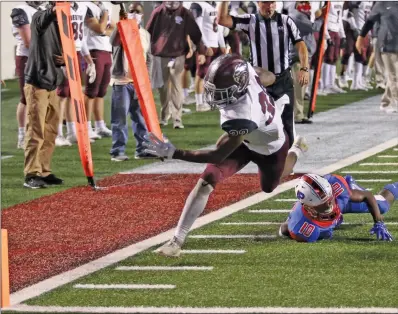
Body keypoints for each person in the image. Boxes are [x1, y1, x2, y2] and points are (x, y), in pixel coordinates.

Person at [143, 54, 308, 257]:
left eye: (221, 92)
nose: (215, 97)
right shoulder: (246, 73)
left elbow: (217, 155)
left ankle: (297, 149)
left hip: (270, 147)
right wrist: (272, 83)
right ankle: (176, 241)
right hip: (246, 137)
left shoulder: (243, 115)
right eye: (214, 90)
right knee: (207, 180)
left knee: (271, 184)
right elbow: (266, 75)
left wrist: (174, 153)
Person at [218, 1, 309, 149]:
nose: (270, 6)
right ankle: (250, 156)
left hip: (283, 80)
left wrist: (304, 68)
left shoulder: (286, 21)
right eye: (266, 3)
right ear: (258, 3)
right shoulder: (250, 20)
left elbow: (301, 45)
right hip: (260, 83)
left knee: (287, 123)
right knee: (254, 122)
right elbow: (222, 20)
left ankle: (288, 161)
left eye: (272, 2)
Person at [279, 173, 396, 242]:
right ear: (310, 208)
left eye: (329, 198)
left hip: (342, 203)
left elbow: (367, 196)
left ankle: (351, 185)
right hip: (316, 219)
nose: (329, 203)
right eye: (323, 202)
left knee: (382, 206)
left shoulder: (337, 191)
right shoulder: (303, 227)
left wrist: (378, 222)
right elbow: (286, 229)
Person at [23, 1, 65, 189]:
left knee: (50, 131)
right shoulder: (38, 17)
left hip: (52, 82)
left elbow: (62, 48)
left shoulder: (59, 24)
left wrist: (65, 57)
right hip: (37, 83)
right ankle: (31, 174)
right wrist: (55, 8)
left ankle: (44, 171)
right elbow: (43, 20)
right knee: (36, 130)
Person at [146, 1, 204, 129]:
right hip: (160, 55)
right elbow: (148, 32)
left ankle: (177, 119)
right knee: (163, 88)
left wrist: (201, 51)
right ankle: (164, 116)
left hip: (177, 55)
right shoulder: (158, 12)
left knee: (176, 85)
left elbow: (195, 33)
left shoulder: (185, 13)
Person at [109, 3, 155, 161]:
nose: (134, 14)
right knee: (120, 118)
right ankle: (118, 151)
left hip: (138, 82)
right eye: (131, 11)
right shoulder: (121, 30)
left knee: (140, 118)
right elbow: (113, 42)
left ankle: (142, 148)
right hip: (122, 81)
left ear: (142, 15)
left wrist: (146, 78)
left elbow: (148, 58)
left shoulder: (145, 34)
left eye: (138, 12)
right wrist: (121, 23)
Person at [55, 1, 96, 147]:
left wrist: (90, 60)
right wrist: (62, 56)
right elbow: (55, 32)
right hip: (64, 52)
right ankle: (57, 134)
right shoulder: (58, 6)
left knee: (73, 94)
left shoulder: (82, 7)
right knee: (62, 95)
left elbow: (81, 36)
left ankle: (72, 133)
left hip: (77, 52)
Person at [10, 1, 42, 149]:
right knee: (26, 98)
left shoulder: (43, 9)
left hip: (43, 57)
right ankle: (22, 136)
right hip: (27, 58)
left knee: (42, 96)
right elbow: (29, 41)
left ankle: (37, 134)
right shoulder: (20, 10)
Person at [356, 1, 398, 114]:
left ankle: (385, 103)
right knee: (394, 76)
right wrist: (360, 37)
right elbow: (369, 21)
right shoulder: (382, 3)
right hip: (387, 44)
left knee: (393, 77)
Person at [84, 1, 115, 140]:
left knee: (101, 92)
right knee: (91, 91)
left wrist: (105, 29)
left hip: (106, 50)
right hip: (93, 49)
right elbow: (100, 29)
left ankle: (100, 125)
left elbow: (113, 29)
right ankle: (86, 126)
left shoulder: (104, 5)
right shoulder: (86, 6)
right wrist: (105, 17)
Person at [289, 1, 316, 124]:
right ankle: (297, 115)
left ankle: (298, 113)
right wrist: (319, 17)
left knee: (301, 87)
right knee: (299, 88)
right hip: (297, 57)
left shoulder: (303, 16)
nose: (306, 4)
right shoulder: (296, 16)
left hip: (303, 57)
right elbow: (312, 27)